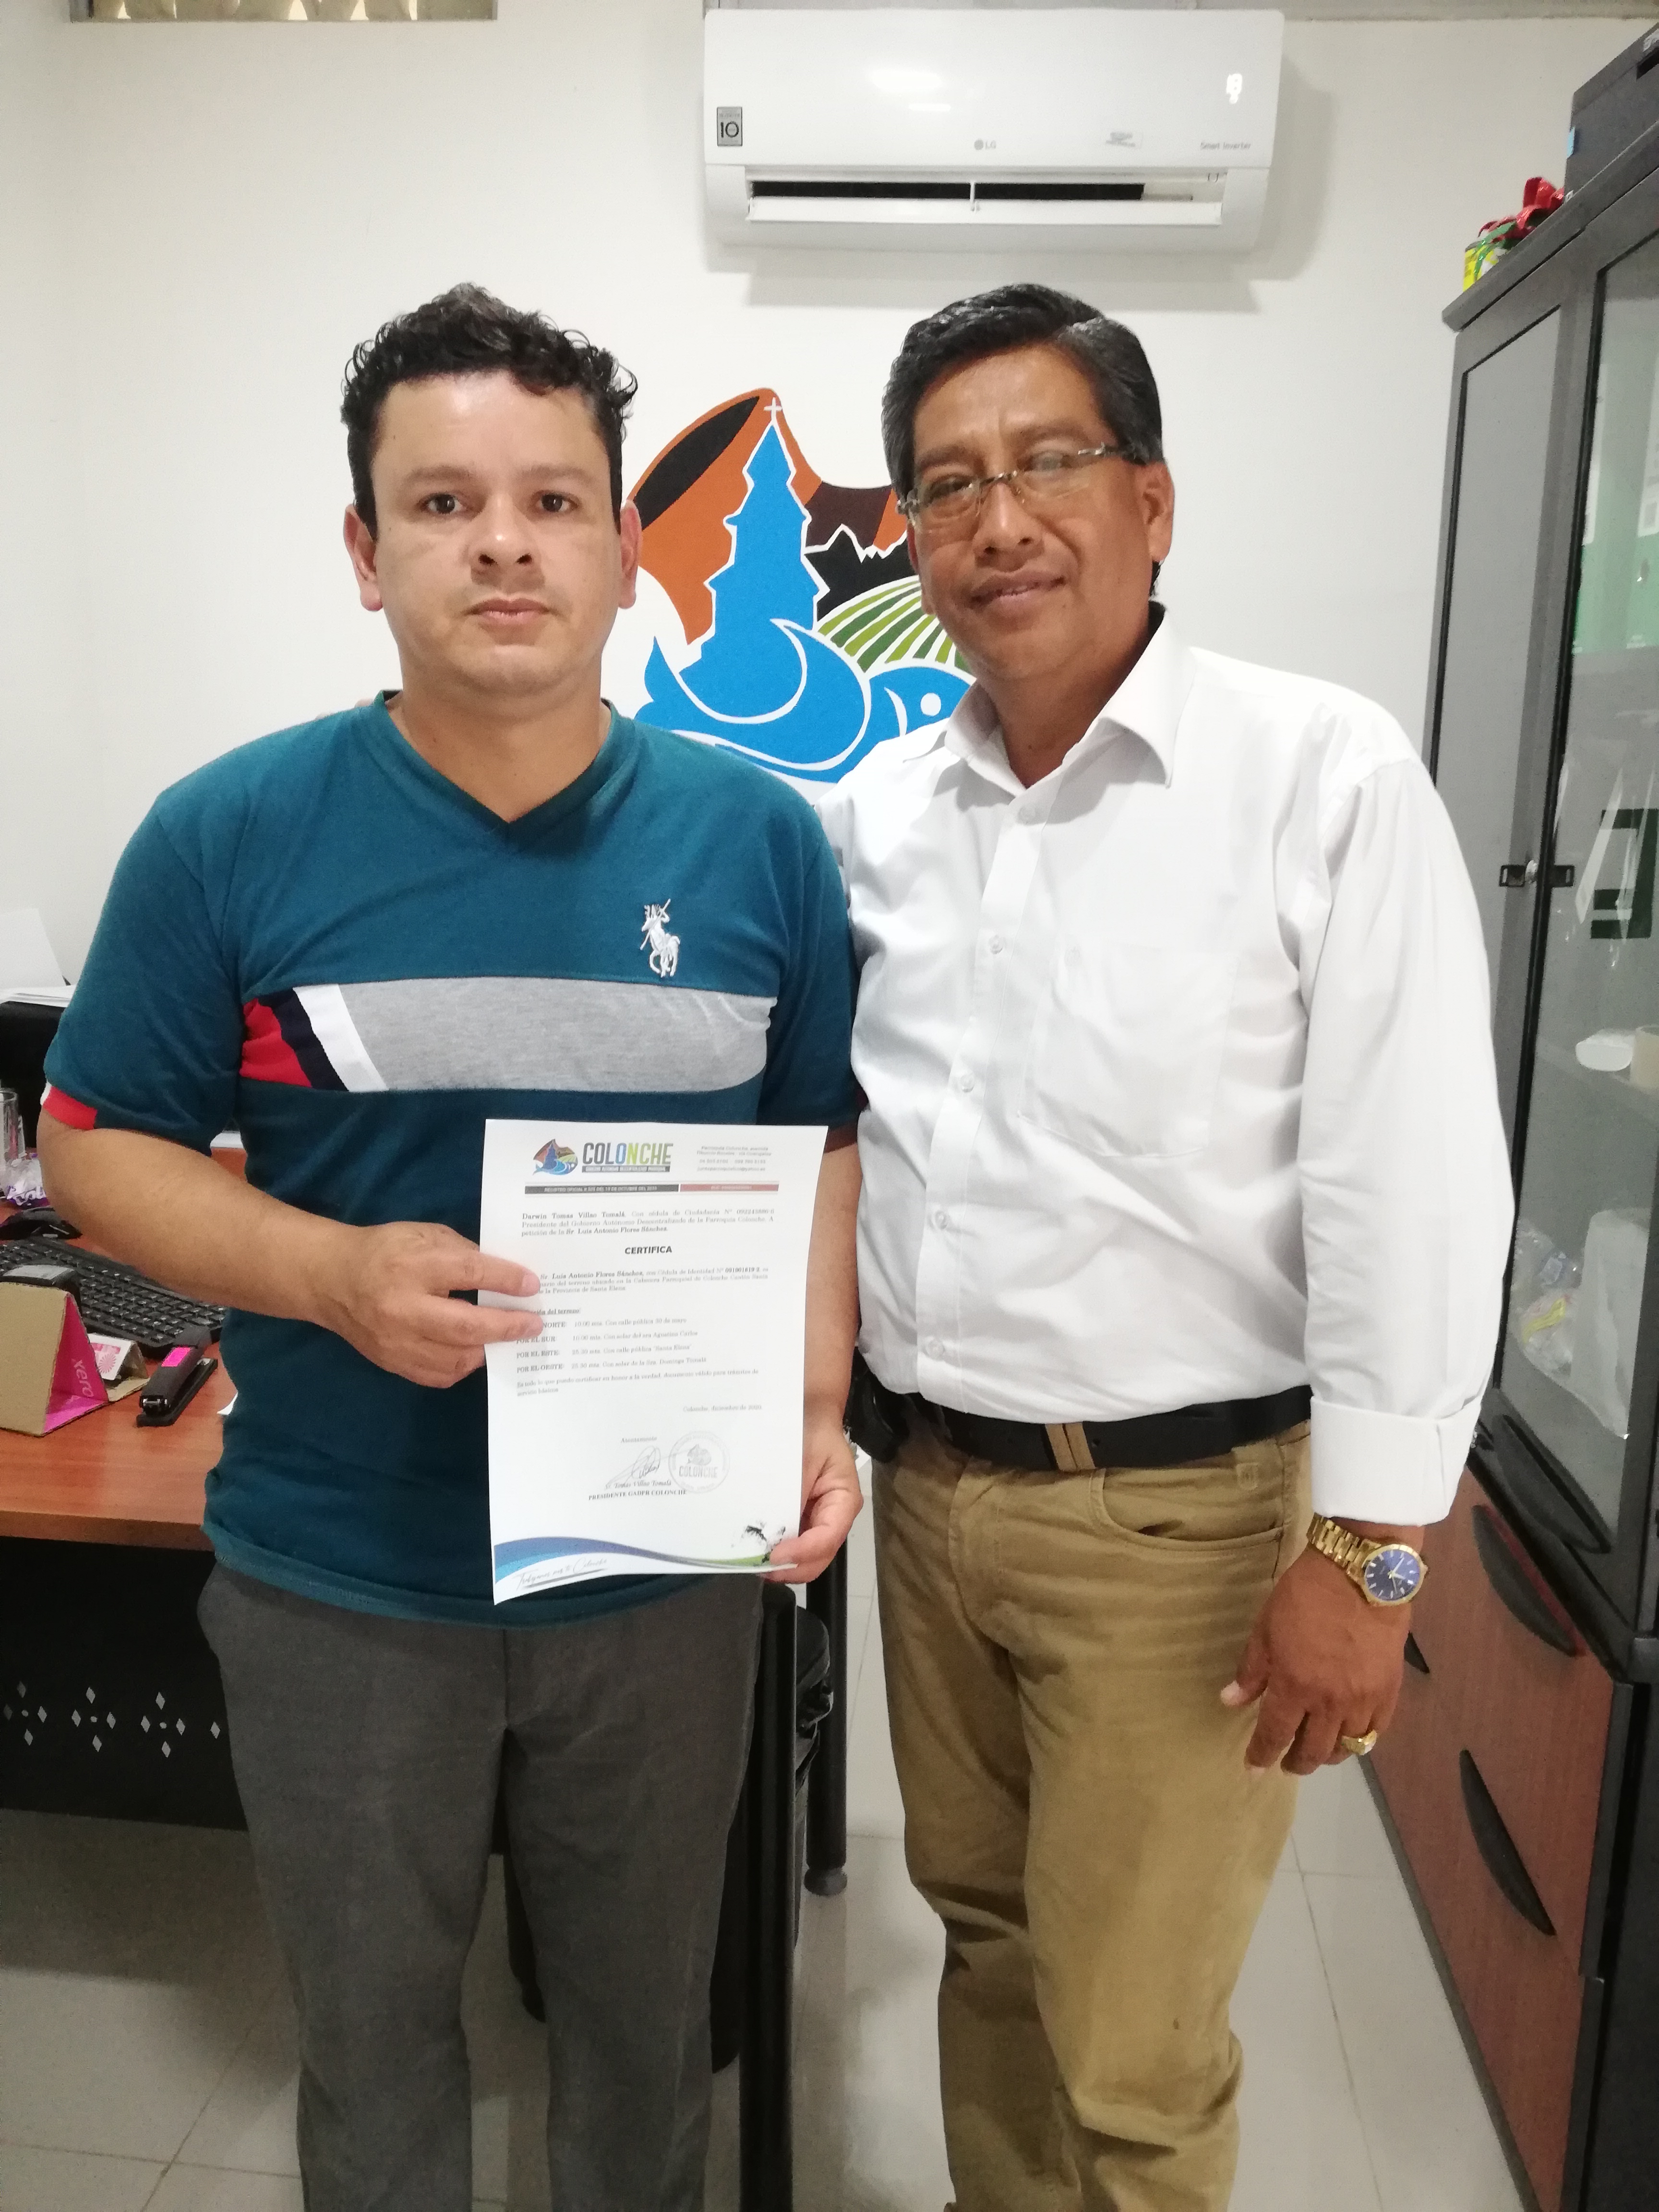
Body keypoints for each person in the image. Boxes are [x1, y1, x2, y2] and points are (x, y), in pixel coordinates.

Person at [37, 284, 862, 2212]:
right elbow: (94, 1152)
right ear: (365, 548)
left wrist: (814, 1409)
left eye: (555, 501)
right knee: (375, 2050)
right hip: (342, 1580)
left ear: (622, 545)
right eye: (444, 503)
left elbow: (817, 1150)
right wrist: (326, 1273)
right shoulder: (226, 833)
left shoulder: (759, 843)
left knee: (647, 2043)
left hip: (659, 1576)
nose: (504, 544)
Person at [818, 283, 1513, 2212]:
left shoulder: (1321, 776)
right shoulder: (881, 815)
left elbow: (1413, 1184)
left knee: (1132, 2049)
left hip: (1180, 1530)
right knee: (987, 1949)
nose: (998, 521)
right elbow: (847, 1144)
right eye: (946, 485)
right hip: (931, 1497)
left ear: (1152, 500)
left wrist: (1372, 1561)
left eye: (1047, 462)